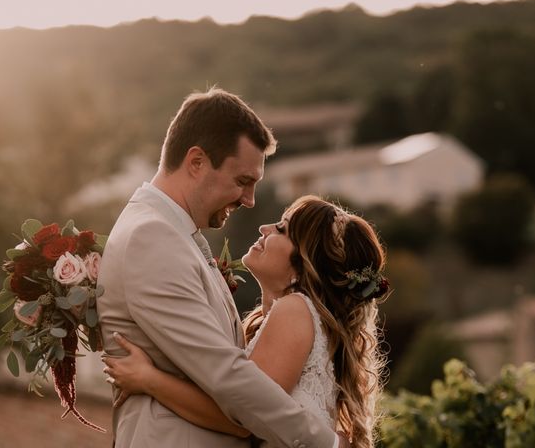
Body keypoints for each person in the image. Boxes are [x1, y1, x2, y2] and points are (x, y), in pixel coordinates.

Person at [96, 88, 348, 447]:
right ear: (196, 162)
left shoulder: (169, 232)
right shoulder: (151, 237)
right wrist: (326, 444)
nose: (250, 200)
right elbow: (226, 375)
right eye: (243, 181)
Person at [103, 195, 392, 448]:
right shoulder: (292, 317)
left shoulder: (295, 311)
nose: (264, 229)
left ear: (305, 264)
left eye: (281, 229)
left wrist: (149, 380)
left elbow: (242, 418)